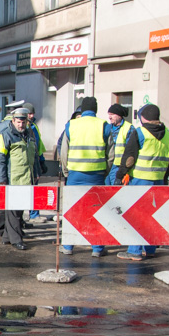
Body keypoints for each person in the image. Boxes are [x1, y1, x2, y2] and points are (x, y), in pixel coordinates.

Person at [116, 103, 169, 261]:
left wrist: (121, 174)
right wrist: (164, 178)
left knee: (136, 215)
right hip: (159, 181)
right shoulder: (168, 135)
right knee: (153, 216)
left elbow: (129, 158)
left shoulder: (140, 133)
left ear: (143, 117)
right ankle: (150, 249)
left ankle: (134, 251)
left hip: (140, 181)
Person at [59, 96, 111, 257]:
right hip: (96, 175)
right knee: (97, 211)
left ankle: (68, 246)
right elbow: (111, 154)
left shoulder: (71, 125)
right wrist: (104, 171)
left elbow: (64, 152)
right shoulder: (104, 126)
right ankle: (97, 248)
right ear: (95, 110)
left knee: (73, 211)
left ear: (82, 109)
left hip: (75, 174)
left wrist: (66, 171)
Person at [0, 108, 38, 250]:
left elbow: (33, 156)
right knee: (13, 210)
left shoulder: (29, 134)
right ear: (13, 121)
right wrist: (2, 179)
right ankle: (16, 239)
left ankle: (7, 236)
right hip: (13, 179)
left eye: (23, 122)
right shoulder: (5, 135)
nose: (21, 125)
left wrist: (36, 172)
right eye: (18, 122)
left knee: (18, 209)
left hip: (26, 178)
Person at [0, 100, 24, 242]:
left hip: (7, 173)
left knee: (4, 204)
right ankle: (8, 233)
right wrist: (0, 174)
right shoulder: (6, 131)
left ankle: (4, 231)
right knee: (11, 205)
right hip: (10, 174)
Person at [21, 103, 48, 224]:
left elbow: (38, 145)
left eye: (32, 113)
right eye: (29, 114)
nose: (31, 116)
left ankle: (34, 214)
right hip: (26, 163)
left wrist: (41, 161)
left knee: (34, 189)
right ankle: (22, 216)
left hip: (35, 161)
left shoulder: (33, 126)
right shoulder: (23, 127)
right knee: (24, 189)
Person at [105, 103, 133, 186]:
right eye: (109, 114)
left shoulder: (129, 128)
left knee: (115, 191)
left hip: (119, 167)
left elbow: (131, 150)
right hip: (107, 165)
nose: (110, 117)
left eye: (112, 114)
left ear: (120, 116)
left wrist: (126, 170)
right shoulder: (107, 128)